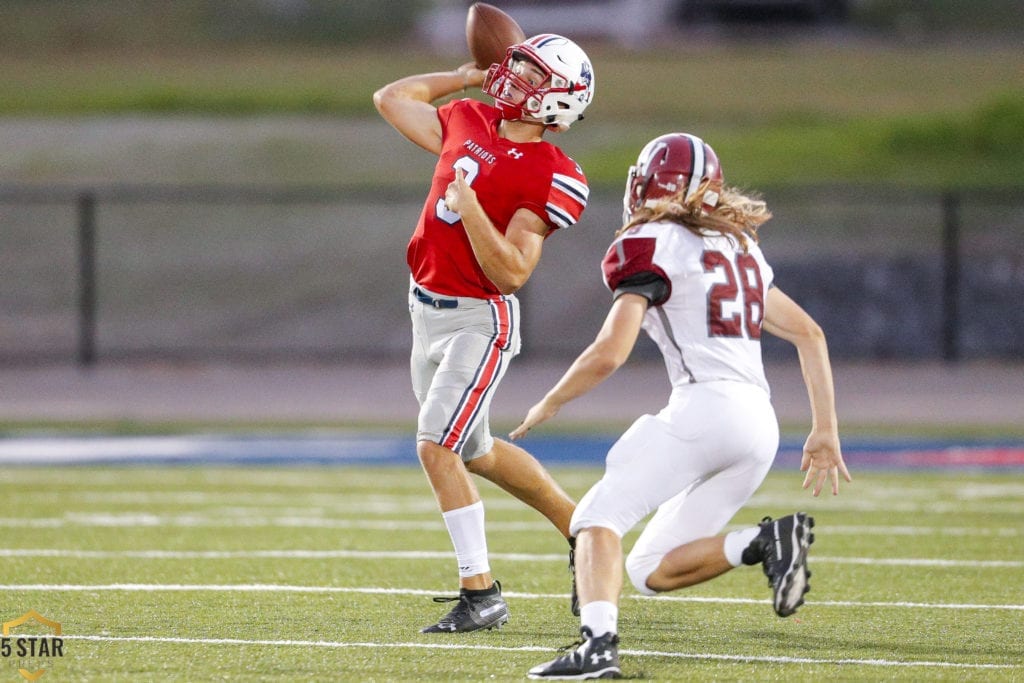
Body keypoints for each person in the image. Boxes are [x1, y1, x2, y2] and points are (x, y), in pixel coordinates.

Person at [510, 132, 852, 678]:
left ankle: (597, 648)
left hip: (705, 411)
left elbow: (609, 351)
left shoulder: (649, 241)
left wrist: (551, 400)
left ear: (649, 182)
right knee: (648, 571)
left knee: (595, 519)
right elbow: (810, 333)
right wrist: (824, 431)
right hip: (759, 428)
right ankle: (764, 541)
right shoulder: (737, 244)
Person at [372, 34, 596, 633]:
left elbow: (513, 272)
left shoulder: (553, 172)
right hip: (425, 308)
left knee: (435, 443)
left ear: (558, 100)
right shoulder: (471, 116)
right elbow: (392, 97)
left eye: (529, 71)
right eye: (515, 63)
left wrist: (470, 207)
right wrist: (461, 75)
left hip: (479, 317)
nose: (512, 74)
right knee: (476, 450)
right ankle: (585, 534)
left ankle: (480, 593)